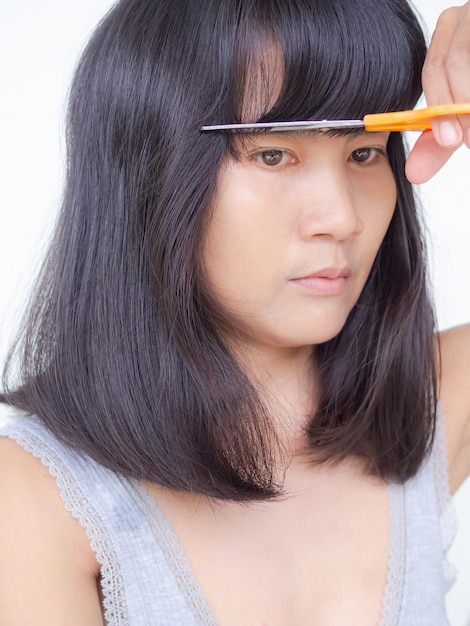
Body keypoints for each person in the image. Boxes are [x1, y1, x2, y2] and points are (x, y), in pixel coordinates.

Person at [0, 0, 469, 624]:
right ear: (149, 170)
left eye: (364, 153)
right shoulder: (32, 496)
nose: (342, 218)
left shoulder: (435, 399)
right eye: (274, 155)